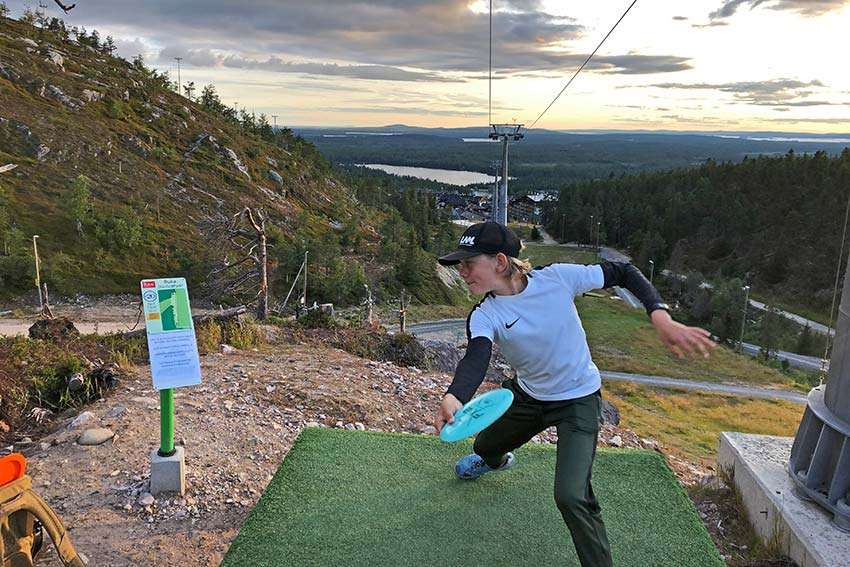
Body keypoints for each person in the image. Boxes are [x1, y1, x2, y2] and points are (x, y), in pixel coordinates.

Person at [433, 221, 714, 567]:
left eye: (468, 263)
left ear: (501, 262)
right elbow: (476, 357)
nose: (461, 272)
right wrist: (454, 395)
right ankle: (496, 461)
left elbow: (623, 272)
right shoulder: (485, 313)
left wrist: (660, 316)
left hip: (578, 399)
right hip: (528, 396)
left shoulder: (558, 278)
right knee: (483, 446)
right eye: (459, 265)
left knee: (571, 495)